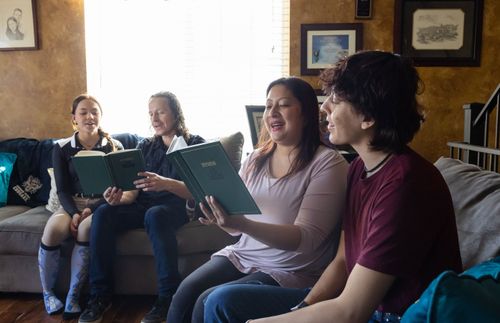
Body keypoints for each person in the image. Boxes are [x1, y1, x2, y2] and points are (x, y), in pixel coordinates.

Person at [203, 50, 463, 323]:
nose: (324, 106)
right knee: (222, 302)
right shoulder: (360, 169)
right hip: (357, 304)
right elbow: (341, 261)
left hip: (396, 316)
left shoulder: (406, 184)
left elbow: (351, 311)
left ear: (368, 117)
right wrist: (302, 307)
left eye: (336, 100)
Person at [166, 76, 349, 323]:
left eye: (283, 105)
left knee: (207, 300)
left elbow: (306, 239)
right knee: (185, 293)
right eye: (268, 105)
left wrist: (242, 224)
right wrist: (222, 218)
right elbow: (235, 229)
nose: (272, 112)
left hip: (291, 268)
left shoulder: (328, 163)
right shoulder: (255, 159)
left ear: (306, 114)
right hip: (244, 254)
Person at [78, 91, 205, 323]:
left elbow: (200, 191)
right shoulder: (145, 146)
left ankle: (167, 297)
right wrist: (117, 198)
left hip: (172, 206)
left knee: (155, 215)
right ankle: (100, 296)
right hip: (143, 204)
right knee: (104, 212)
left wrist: (166, 183)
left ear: (176, 114)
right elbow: (132, 191)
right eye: (151, 114)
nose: (154, 119)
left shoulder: (195, 144)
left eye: (161, 112)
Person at [38, 94, 123, 319]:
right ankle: (48, 293)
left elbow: (118, 188)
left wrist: (91, 209)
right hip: (71, 202)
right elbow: (63, 189)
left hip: (100, 204)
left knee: (86, 229)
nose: (89, 116)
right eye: (83, 112)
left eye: (94, 111)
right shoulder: (62, 147)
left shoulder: (114, 146)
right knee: (53, 230)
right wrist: (74, 212)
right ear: (74, 117)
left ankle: (73, 297)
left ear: (101, 116)